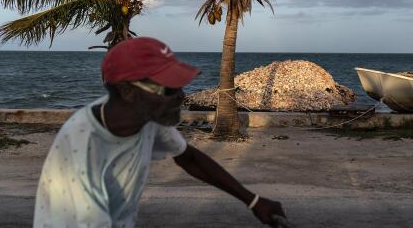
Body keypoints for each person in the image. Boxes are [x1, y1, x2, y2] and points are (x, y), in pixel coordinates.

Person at [33, 37, 285, 227]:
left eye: (180, 86)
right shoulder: (82, 150)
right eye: (169, 89)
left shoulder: (146, 117)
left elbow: (189, 158)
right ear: (128, 91)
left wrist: (253, 201)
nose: (182, 96)